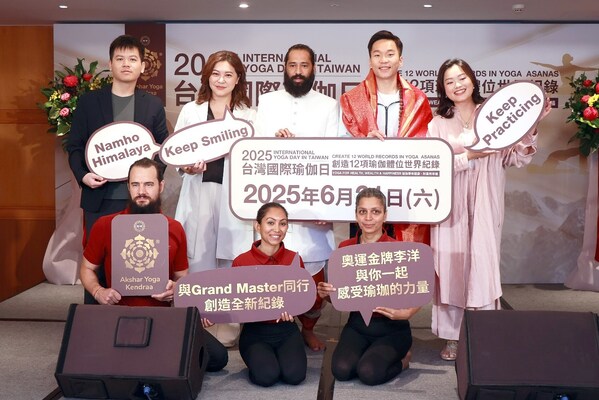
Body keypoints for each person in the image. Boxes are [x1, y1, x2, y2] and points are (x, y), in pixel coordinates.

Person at [427, 58, 550, 361]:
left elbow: (516, 157)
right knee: (451, 265)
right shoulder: (438, 122)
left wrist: (531, 124)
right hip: (450, 205)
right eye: (449, 81)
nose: (457, 85)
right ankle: (453, 336)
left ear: (472, 79)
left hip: (486, 201)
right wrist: (469, 156)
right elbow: (433, 165)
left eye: (462, 78)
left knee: (482, 264)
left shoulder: (495, 113)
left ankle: (482, 331)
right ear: (443, 89)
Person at [79, 157, 227, 372]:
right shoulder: (106, 225)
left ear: (161, 186)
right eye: (135, 184)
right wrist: (98, 291)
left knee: (217, 357)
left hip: (162, 317)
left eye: (148, 184)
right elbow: (86, 268)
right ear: (128, 187)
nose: (142, 191)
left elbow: (182, 276)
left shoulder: (174, 228)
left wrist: (176, 290)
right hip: (120, 316)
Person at [66, 34, 168, 304]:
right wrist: (83, 176)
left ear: (142, 66)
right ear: (110, 64)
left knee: (141, 263)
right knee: (96, 264)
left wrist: (150, 182)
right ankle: (94, 321)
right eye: (120, 59)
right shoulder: (89, 102)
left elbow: (163, 151)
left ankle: (140, 320)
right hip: (100, 199)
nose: (126, 64)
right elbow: (74, 146)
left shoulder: (153, 104)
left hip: (140, 201)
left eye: (132, 59)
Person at [254, 43, 338, 351]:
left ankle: (307, 328)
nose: (298, 72)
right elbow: (255, 150)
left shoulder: (329, 105)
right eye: (292, 65)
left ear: (313, 69)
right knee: (271, 274)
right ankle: (272, 329)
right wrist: (274, 142)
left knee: (315, 281)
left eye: (304, 65)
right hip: (275, 200)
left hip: (314, 205)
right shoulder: (267, 101)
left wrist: (329, 207)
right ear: (284, 68)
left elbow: (335, 156)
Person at [174, 50, 255, 347]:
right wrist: (186, 166)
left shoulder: (250, 115)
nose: (221, 80)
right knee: (199, 258)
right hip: (200, 191)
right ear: (207, 76)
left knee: (232, 260)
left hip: (234, 197)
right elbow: (177, 153)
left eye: (228, 75)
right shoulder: (191, 110)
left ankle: (229, 328)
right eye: (216, 74)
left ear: (238, 79)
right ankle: (199, 327)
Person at [339, 30, 433, 244]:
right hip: (364, 193)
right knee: (365, 254)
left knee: (403, 255)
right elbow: (340, 149)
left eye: (390, 54)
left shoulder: (419, 100)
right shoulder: (351, 100)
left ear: (400, 60)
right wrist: (363, 143)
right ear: (370, 60)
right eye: (377, 55)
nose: (383, 60)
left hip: (406, 192)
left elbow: (428, 149)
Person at [317, 188, 417, 385]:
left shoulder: (399, 250)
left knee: (369, 373)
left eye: (375, 212)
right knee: (341, 371)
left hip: (392, 327)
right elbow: (342, 296)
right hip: (358, 325)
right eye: (363, 212)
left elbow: (419, 288)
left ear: (385, 215)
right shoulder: (345, 249)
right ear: (356, 215)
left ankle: (404, 360)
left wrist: (407, 313)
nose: (368, 218)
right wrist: (326, 294)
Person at [232, 202, 308, 387]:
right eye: (270, 222)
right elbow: (234, 302)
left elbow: (301, 298)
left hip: (287, 329)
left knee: (294, 376)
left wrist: (295, 309)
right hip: (255, 333)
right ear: (258, 226)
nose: (277, 229)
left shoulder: (294, 259)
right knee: (267, 377)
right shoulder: (241, 262)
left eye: (283, 223)